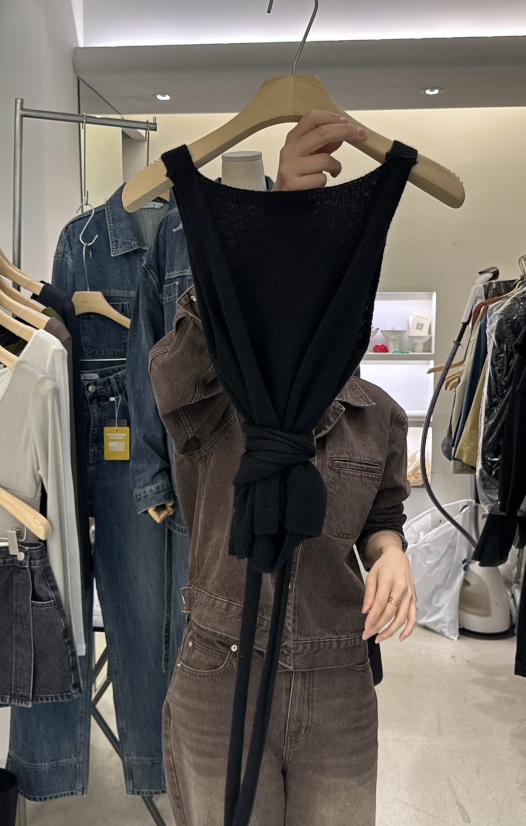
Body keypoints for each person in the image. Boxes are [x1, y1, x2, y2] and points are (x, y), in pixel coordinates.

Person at [149, 110, 417, 826]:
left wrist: (390, 553)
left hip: (338, 678)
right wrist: (277, 222)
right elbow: (174, 371)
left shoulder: (378, 416)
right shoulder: (218, 396)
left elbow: (382, 517)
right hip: (222, 668)